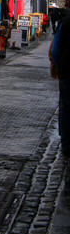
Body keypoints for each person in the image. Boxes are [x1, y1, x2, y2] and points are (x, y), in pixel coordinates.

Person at [49, 12, 70, 157]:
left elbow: (55, 50)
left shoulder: (65, 22)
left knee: (66, 107)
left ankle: (67, 142)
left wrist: (57, 65)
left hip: (67, 71)